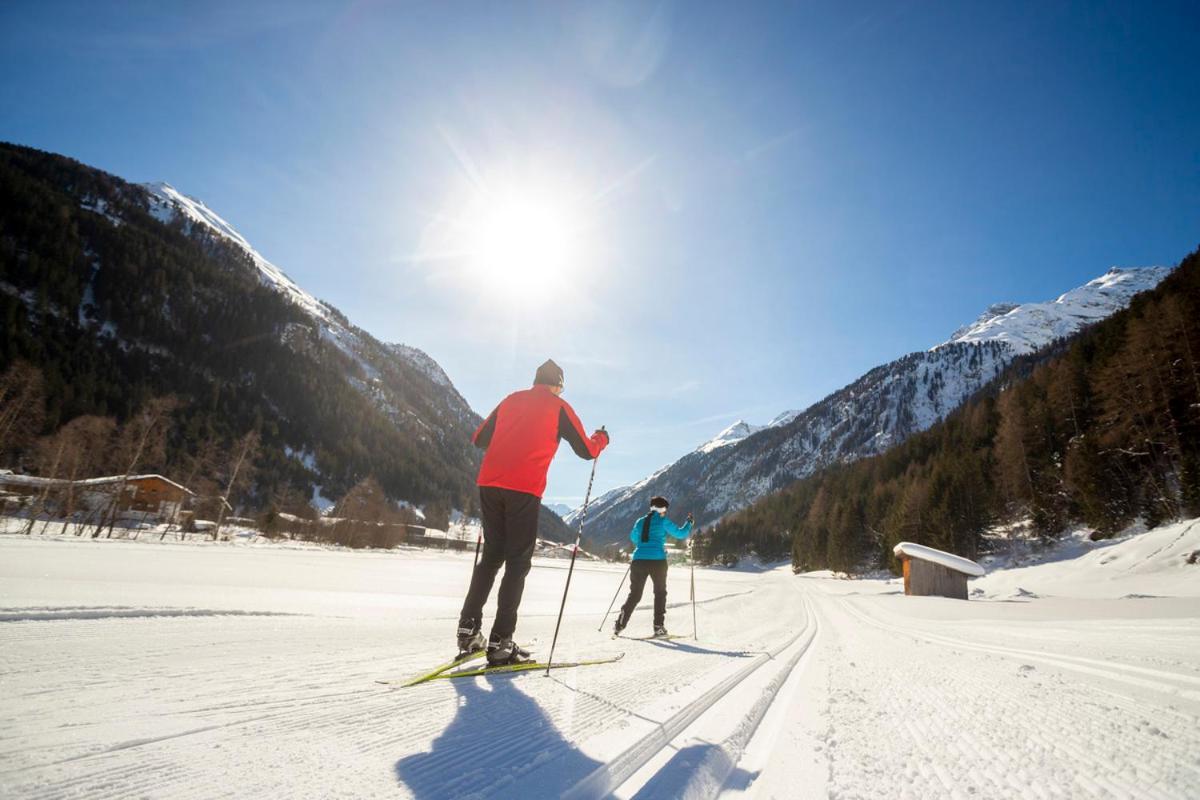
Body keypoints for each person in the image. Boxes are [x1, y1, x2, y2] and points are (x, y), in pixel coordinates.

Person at [457, 359, 609, 665]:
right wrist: (601, 439)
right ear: (557, 385)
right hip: (523, 488)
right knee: (517, 563)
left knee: (491, 558)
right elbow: (586, 450)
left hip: (489, 483)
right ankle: (501, 642)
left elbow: (479, 439)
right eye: (560, 386)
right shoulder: (558, 406)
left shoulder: (511, 399)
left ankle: (468, 630)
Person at [613, 495, 693, 638]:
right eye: (665, 510)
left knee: (635, 594)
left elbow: (634, 538)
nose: (665, 513)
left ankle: (620, 624)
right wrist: (689, 523)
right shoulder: (663, 521)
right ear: (662, 509)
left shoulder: (639, 522)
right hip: (657, 561)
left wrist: (645, 545)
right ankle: (658, 627)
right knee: (660, 593)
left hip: (638, 561)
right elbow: (680, 534)